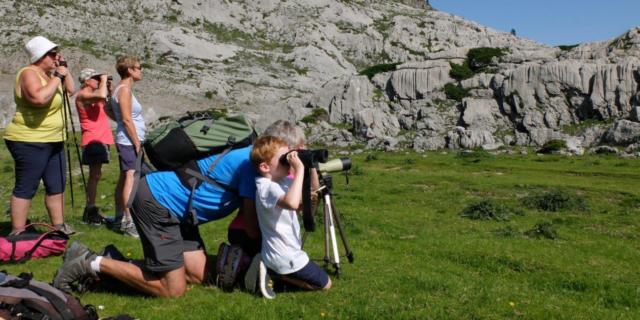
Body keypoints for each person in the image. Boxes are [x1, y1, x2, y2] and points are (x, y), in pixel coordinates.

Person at [51, 120, 308, 297]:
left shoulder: (253, 158)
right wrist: (279, 260)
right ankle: (88, 262)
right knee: (172, 289)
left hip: (181, 214)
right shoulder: (252, 168)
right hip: (158, 202)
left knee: (199, 275)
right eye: (293, 155)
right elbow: (252, 228)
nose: (296, 161)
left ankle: (113, 262)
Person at [4, 36, 76, 235]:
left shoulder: (50, 75)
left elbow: (70, 90)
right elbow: (39, 98)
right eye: (52, 54)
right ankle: (18, 232)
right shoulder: (28, 73)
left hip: (54, 139)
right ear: (40, 55)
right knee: (27, 185)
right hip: (29, 140)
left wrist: (64, 69)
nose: (56, 57)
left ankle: (58, 227)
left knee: (56, 183)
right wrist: (57, 76)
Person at [245, 136, 331, 299]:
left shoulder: (282, 182)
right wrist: (298, 170)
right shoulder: (266, 187)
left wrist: (309, 165)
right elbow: (292, 203)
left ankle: (271, 269)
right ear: (265, 166)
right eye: (284, 159)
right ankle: (275, 275)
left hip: (286, 252)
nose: (289, 161)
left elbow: (311, 195)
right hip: (284, 256)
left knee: (320, 281)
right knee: (325, 284)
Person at [110, 56, 146, 237]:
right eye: (139, 67)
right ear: (130, 70)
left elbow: (108, 109)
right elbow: (126, 118)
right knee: (131, 177)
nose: (141, 70)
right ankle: (129, 220)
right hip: (129, 140)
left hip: (126, 138)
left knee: (125, 178)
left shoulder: (121, 89)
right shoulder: (124, 89)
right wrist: (137, 142)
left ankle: (119, 217)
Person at [75, 68, 114, 224]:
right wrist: (104, 81)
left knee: (97, 175)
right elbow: (101, 95)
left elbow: (107, 102)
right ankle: (90, 210)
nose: (98, 81)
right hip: (93, 139)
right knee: (94, 176)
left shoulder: (93, 96)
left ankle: (91, 210)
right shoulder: (83, 95)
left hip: (101, 138)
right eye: (95, 78)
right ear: (86, 81)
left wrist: (108, 89)